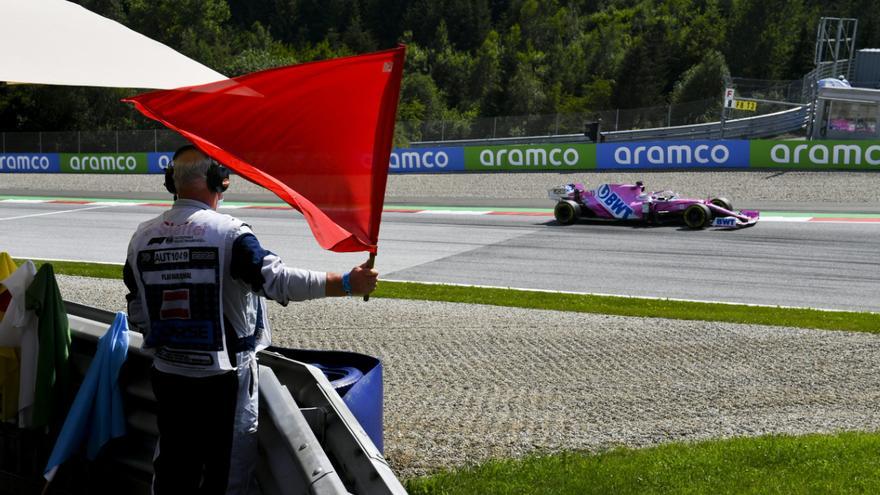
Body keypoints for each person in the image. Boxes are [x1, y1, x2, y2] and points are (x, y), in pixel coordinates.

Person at [123, 144, 378, 495]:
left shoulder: (141, 237)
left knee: (172, 470)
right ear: (218, 181)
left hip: (168, 376)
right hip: (225, 381)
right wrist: (346, 283)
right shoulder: (229, 234)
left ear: (172, 182)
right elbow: (278, 281)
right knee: (227, 477)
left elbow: (136, 309)